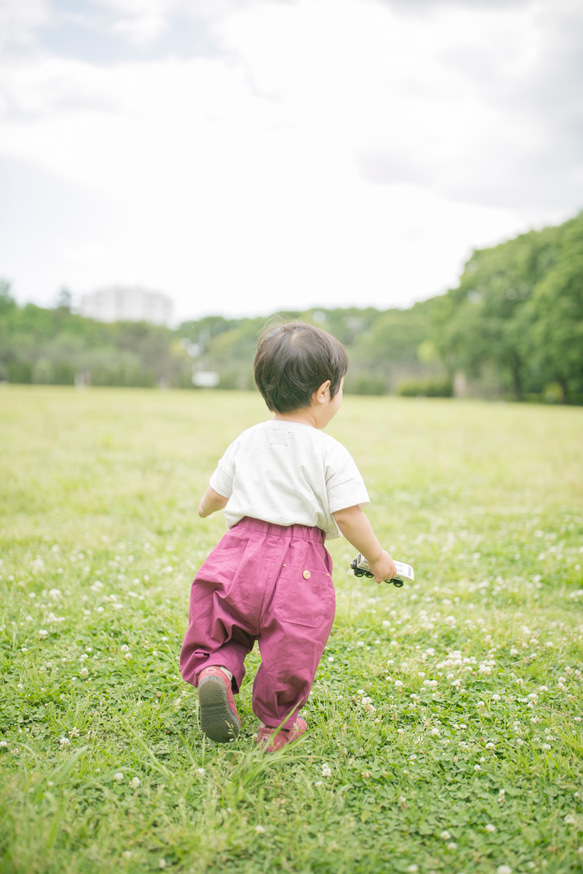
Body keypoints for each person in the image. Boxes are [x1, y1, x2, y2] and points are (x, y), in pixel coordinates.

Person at [180, 321, 396, 752]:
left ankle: (217, 672)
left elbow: (216, 493)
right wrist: (377, 557)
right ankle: (276, 728)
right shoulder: (328, 450)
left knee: (228, 625)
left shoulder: (248, 438)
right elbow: (348, 515)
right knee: (291, 643)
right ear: (324, 392)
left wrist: (204, 508)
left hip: (238, 552)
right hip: (299, 563)